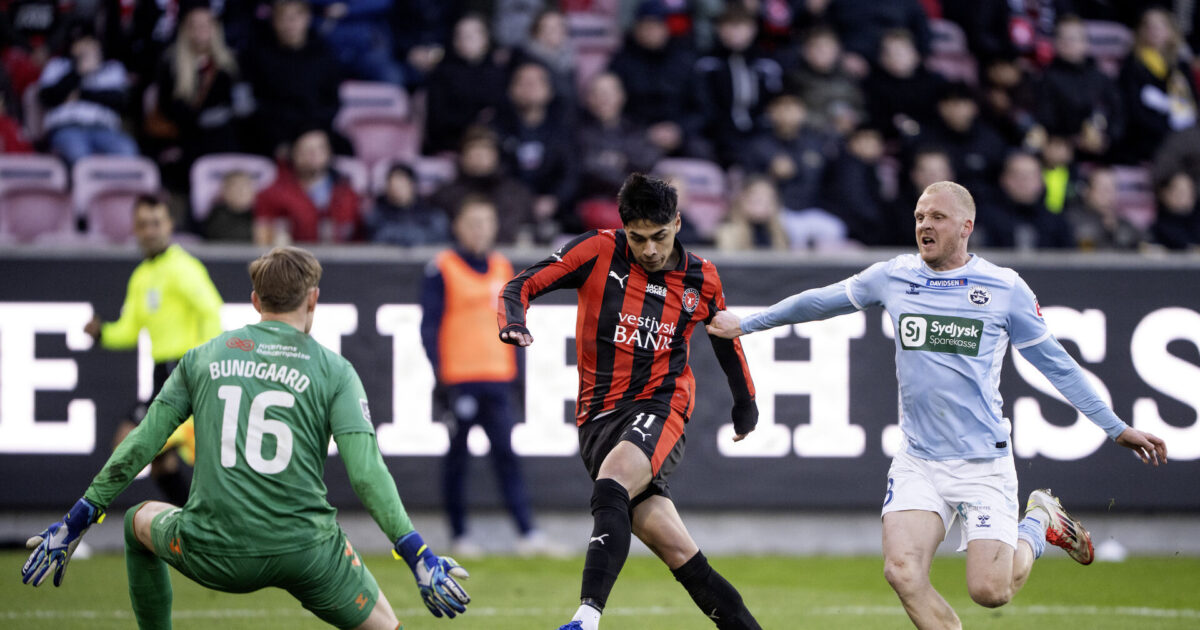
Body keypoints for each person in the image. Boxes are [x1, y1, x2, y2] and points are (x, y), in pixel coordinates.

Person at [706, 179, 1168, 630]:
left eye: (937, 217)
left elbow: (1058, 366)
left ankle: (1039, 521)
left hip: (983, 462)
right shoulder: (894, 276)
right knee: (902, 572)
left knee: (992, 592)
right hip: (919, 460)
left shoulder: (1004, 288)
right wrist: (749, 324)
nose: (924, 225)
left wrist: (1115, 428)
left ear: (966, 226)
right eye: (919, 217)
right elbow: (820, 302)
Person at [22, 246, 471, 630]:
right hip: (307, 553)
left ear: (255, 301)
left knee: (137, 520)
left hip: (213, 550)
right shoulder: (335, 371)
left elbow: (142, 443)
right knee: (387, 626)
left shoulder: (202, 359)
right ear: (313, 300)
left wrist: (80, 516)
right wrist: (416, 553)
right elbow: (367, 472)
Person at [498, 173, 763, 630]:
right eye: (638, 238)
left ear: (678, 223)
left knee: (614, 480)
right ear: (624, 229)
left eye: (660, 236)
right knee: (681, 553)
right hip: (597, 418)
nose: (651, 250)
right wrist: (514, 322)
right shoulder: (597, 250)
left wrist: (746, 403)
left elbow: (726, 340)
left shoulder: (702, 277)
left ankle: (586, 617)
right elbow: (518, 285)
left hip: (663, 404)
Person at [420, 196, 557, 557]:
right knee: (458, 458)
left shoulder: (502, 266)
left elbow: (514, 322)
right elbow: (429, 327)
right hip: (460, 377)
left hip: (498, 376)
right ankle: (459, 534)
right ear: (458, 227)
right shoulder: (442, 267)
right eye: (472, 222)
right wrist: (440, 376)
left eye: (486, 222)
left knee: (506, 456)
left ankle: (527, 533)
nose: (480, 229)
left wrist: (519, 374)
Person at [84, 195, 224, 506]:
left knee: (126, 442)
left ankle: (85, 518)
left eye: (156, 223)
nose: (150, 230)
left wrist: (206, 363)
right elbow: (130, 329)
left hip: (185, 372)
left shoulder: (183, 268)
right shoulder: (142, 276)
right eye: (143, 224)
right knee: (163, 466)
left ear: (169, 225)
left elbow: (211, 311)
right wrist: (103, 332)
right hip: (163, 373)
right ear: (135, 229)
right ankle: (199, 528)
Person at [37, 28, 139, 164]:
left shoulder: (112, 68)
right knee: (79, 153)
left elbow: (120, 101)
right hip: (67, 128)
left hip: (104, 130)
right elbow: (47, 98)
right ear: (73, 47)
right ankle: (84, 186)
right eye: (82, 44)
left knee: (127, 150)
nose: (86, 50)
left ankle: (110, 186)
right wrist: (78, 72)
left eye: (90, 44)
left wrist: (81, 95)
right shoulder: (57, 65)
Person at [254, 127, 361, 245]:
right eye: (307, 150)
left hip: (342, 260)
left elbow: (360, 238)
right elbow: (264, 242)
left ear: (329, 152)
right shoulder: (273, 195)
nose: (314, 155)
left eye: (320, 148)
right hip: (293, 261)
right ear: (293, 154)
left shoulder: (348, 193)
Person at [365, 162, 450, 247]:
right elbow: (378, 237)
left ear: (412, 184)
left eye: (401, 183)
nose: (396, 189)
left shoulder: (431, 212)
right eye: (392, 184)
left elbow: (439, 239)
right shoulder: (378, 212)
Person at [204, 170, 257, 242]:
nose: (242, 191)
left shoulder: (260, 214)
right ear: (225, 192)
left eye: (246, 186)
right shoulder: (217, 216)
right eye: (236, 187)